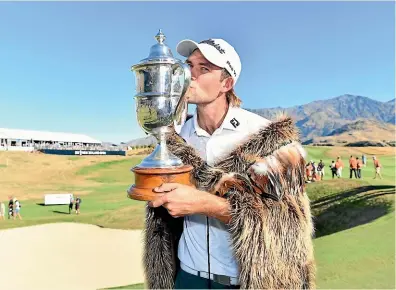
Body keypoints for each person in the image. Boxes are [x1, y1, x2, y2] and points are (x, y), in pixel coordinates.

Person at [142, 37, 315, 289]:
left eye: (204, 69)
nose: (189, 75)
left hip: (247, 281)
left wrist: (206, 204)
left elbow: (289, 225)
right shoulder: (174, 137)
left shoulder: (268, 138)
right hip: (187, 277)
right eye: (188, 65)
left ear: (227, 83)